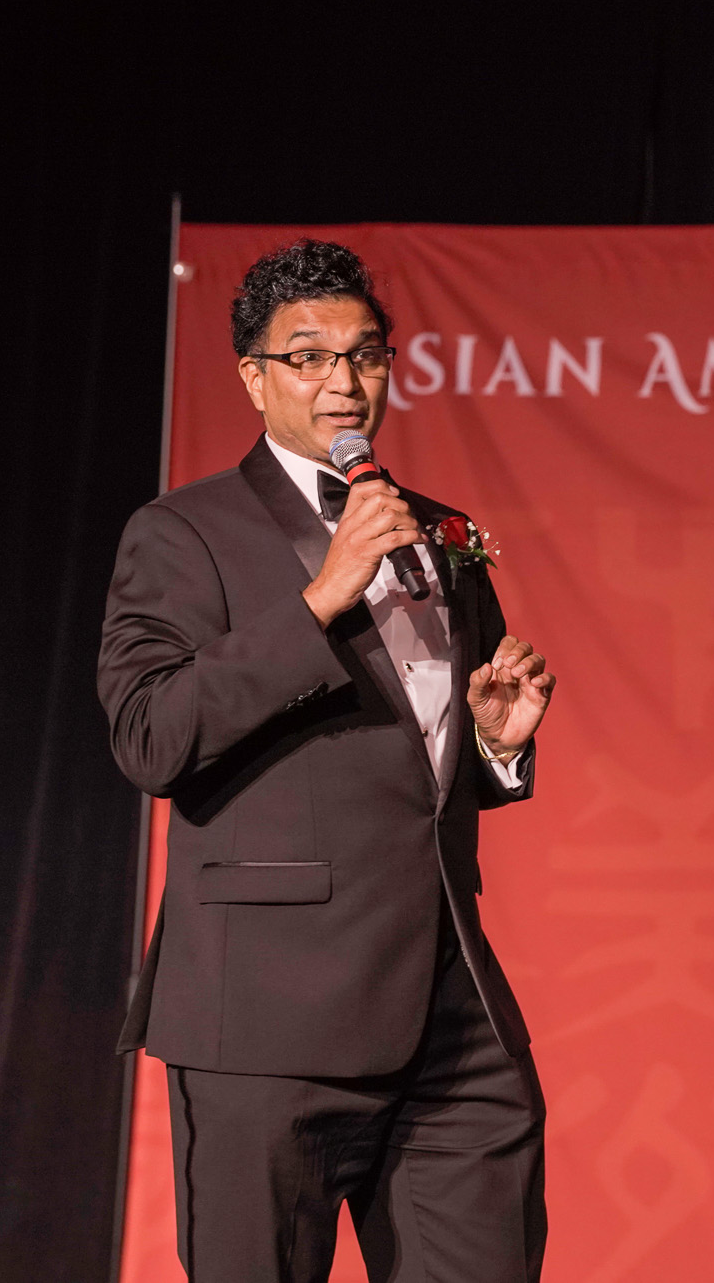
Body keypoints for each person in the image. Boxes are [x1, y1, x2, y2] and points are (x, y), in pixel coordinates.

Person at [97, 238, 554, 1282]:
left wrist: (494, 741)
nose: (343, 380)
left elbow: (414, 764)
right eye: (307, 356)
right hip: (269, 1012)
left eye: (365, 354)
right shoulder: (183, 532)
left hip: (450, 1012)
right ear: (254, 378)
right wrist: (317, 600)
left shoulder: (440, 530)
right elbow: (150, 735)